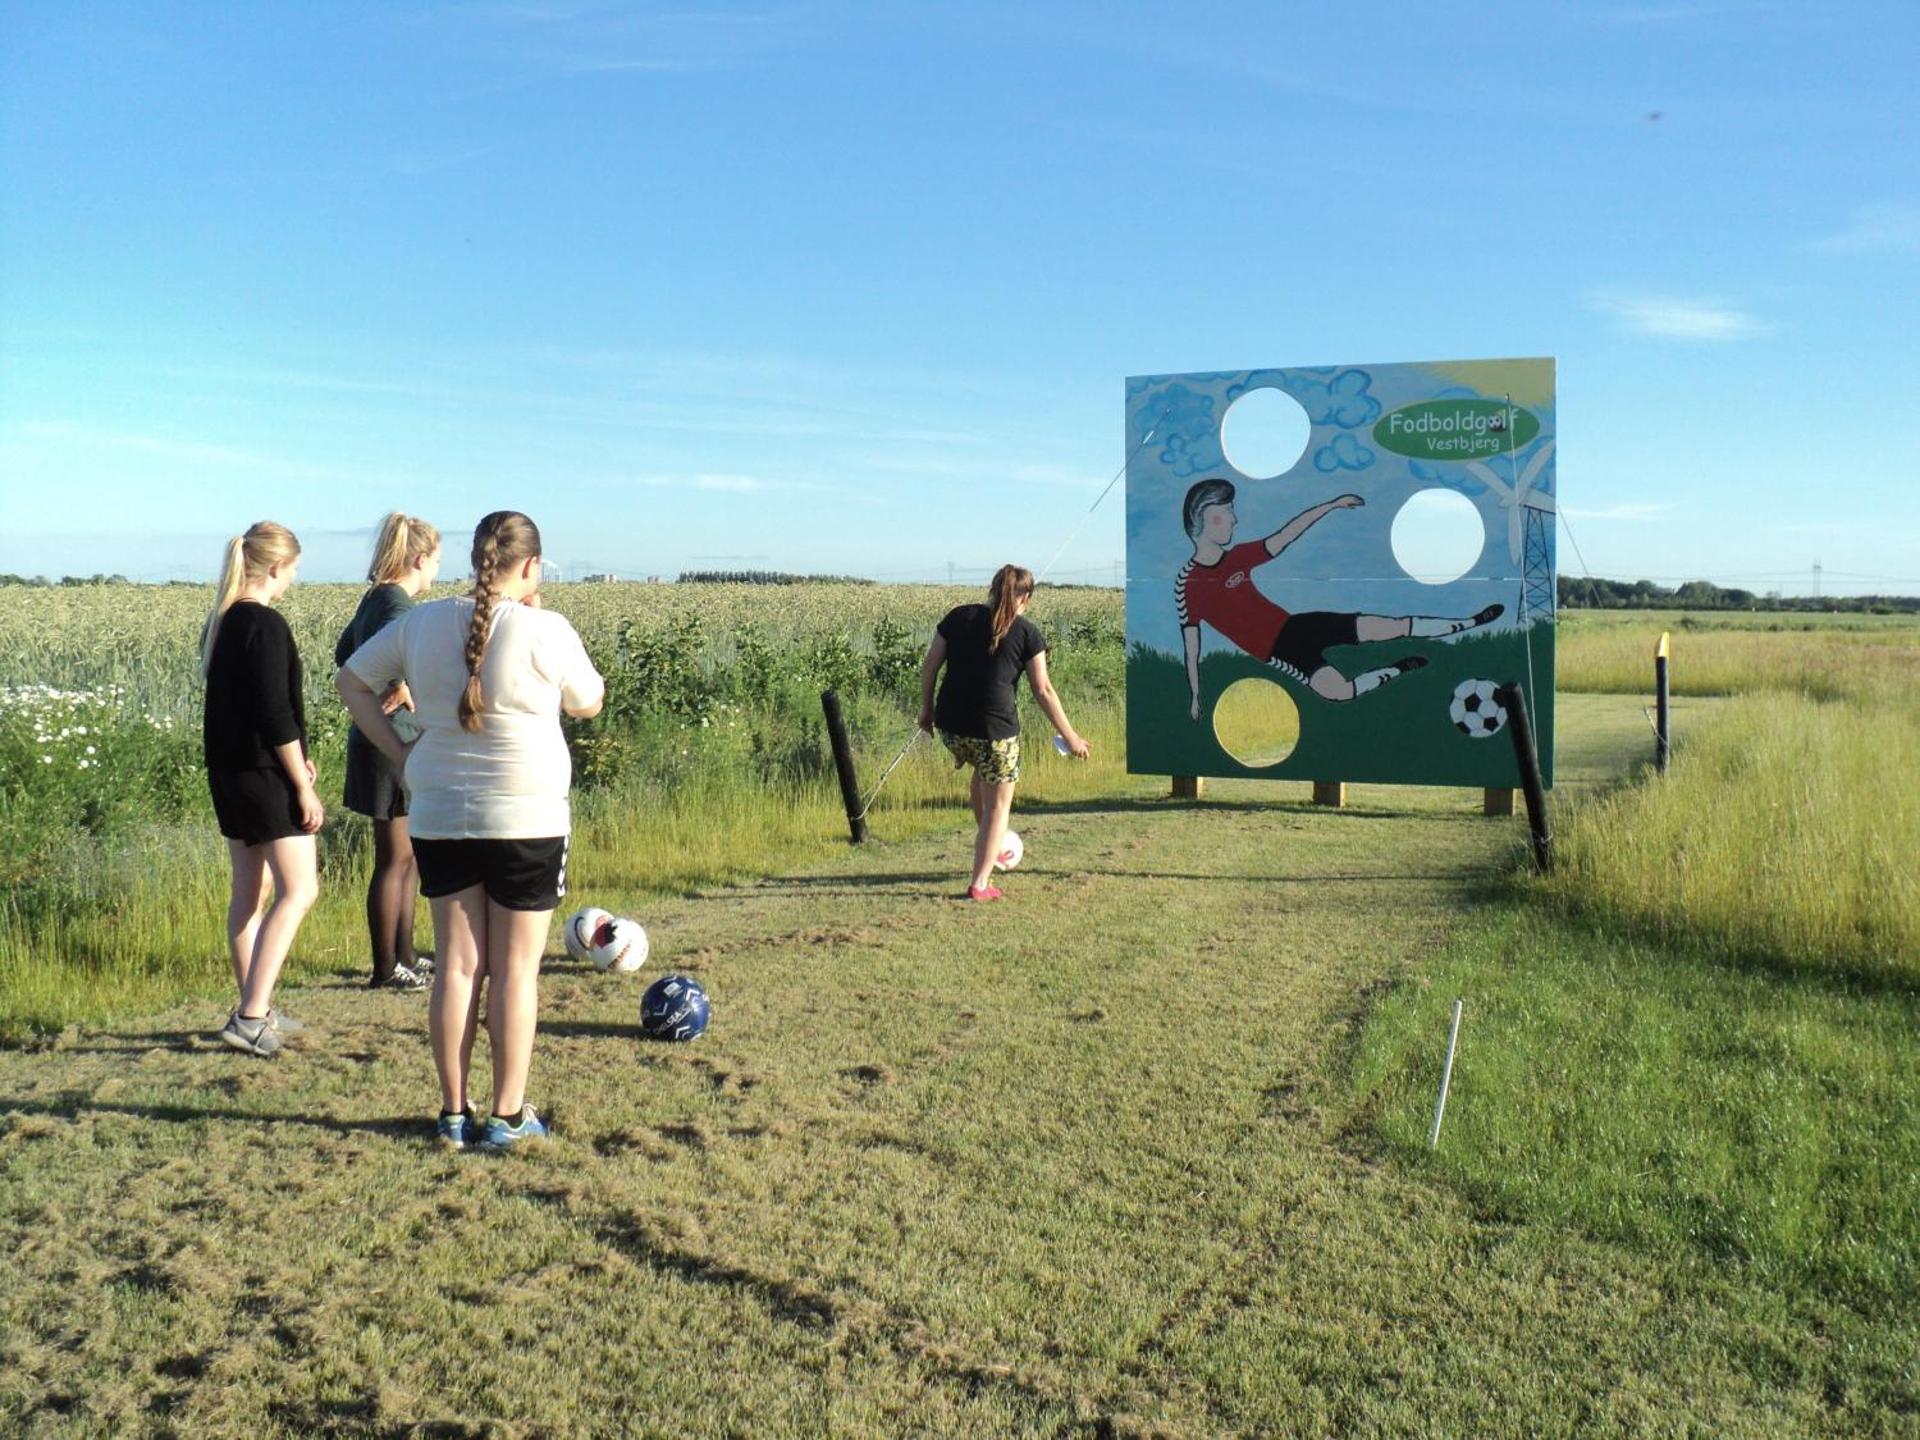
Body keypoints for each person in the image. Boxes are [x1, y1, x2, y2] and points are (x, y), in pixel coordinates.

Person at [337, 511, 603, 1152]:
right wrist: (537, 613)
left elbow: (351, 681)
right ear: (532, 566)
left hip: (440, 814)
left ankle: (453, 1114)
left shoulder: (421, 622)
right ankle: (508, 1117)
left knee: (458, 966)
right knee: (515, 970)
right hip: (527, 817)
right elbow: (587, 701)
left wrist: (403, 756)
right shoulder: (547, 629)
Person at [1176, 478, 1504, 716]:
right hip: (1281, 653)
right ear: (1203, 516)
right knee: (1340, 692)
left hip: (1296, 627)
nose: (1235, 519)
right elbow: (1192, 649)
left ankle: (1469, 622)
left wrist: (1331, 505)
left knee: (1384, 627)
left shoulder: (1238, 557)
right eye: (1227, 511)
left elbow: (1285, 535)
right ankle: (1397, 669)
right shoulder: (1187, 584)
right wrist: (1193, 696)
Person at [200, 521, 321, 1058]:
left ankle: (256, 1004)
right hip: (265, 776)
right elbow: (275, 716)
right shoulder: (265, 624)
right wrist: (301, 782)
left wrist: (298, 760)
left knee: (251, 892)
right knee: (300, 890)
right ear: (276, 567)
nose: (293, 579)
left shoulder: (221, 622)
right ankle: (251, 1015)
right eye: (293, 569)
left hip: (229, 774)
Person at [918, 565, 1089, 902]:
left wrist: (926, 710)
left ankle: (990, 842)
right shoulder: (1028, 633)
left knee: (984, 774)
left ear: (993, 589)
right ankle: (980, 883)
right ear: (1025, 597)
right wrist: (1071, 737)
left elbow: (930, 665)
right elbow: (1043, 690)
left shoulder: (957, 617)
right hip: (995, 732)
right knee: (999, 806)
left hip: (952, 730)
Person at [334, 512, 442, 992]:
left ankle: (406, 955)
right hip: (391, 744)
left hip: (376, 739)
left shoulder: (374, 598)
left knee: (407, 858)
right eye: (437, 560)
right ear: (420, 559)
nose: (438, 570)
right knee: (395, 859)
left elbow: (344, 654)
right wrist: (401, 687)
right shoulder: (398, 606)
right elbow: (402, 663)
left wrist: (389, 683)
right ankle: (386, 968)